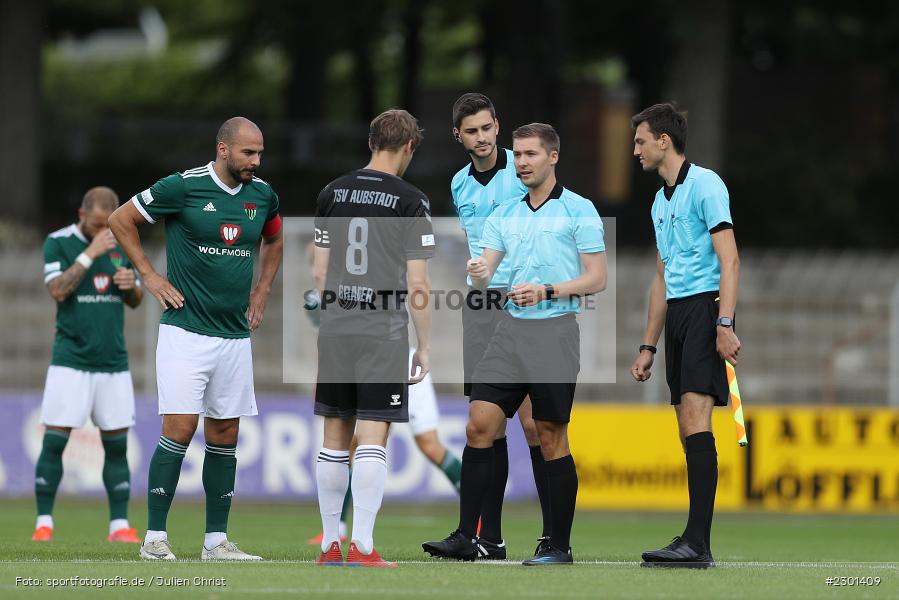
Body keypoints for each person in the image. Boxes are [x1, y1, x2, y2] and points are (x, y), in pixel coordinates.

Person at [423, 123, 607, 565]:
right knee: (478, 425)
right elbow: (485, 267)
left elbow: (597, 277)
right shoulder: (506, 213)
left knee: (549, 435)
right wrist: (479, 271)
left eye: (531, 155)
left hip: (555, 333)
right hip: (509, 330)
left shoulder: (579, 209)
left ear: (553, 157)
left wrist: (547, 290)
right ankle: (470, 536)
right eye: (519, 155)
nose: (522, 162)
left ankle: (558, 545)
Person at [107, 116, 284, 561]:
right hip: (186, 332)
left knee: (225, 433)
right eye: (248, 153)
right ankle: (154, 539)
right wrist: (149, 275)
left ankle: (216, 542)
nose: (256, 161)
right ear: (223, 149)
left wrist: (261, 290)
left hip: (234, 337)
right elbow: (120, 219)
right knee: (180, 429)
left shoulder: (262, 196)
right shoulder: (182, 187)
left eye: (260, 153)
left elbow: (275, 238)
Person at [312, 109, 435, 567]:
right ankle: (363, 545)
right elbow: (419, 286)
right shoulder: (412, 201)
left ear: (370, 142)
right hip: (382, 330)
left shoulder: (331, 192)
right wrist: (423, 346)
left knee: (334, 434)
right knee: (372, 436)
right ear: (408, 148)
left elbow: (320, 270)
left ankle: (329, 543)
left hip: (337, 327)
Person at [629, 102, 741, 569]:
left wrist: (725, 324)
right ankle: (694, 539)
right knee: (686, 423)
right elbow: (662, 277)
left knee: (696, 418)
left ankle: (698, 543)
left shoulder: (706, 184)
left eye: (639, 141)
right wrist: (648, 344)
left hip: (704, 309)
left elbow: (730, 259)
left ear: (663, 140)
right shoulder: (659, 200)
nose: (634, 150)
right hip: (676, 314)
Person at [447, 92, 551, 559]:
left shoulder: (523, 168)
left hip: (523, 303)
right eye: (472, 130)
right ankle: (491, 537)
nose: (482, 137)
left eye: (488, 128)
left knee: (535, 423)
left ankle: (553, 537)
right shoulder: (458, 184)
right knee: (487, 424)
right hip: (481, 307)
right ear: (459, 136)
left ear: (497, 126)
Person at [34, 187, 143, 544]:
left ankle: (119, 526)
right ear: (81, 214)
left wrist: (131, 287)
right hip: (71, 360)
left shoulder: (120, 243)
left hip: (112, 362)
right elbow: (58, 291)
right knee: (53, 442)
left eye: (106, 226)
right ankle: (44, 522)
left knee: (116, 445)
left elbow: (136, 299)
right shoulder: (59, 243)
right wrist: (89, 254)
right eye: (96, 225)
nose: (103, 232)